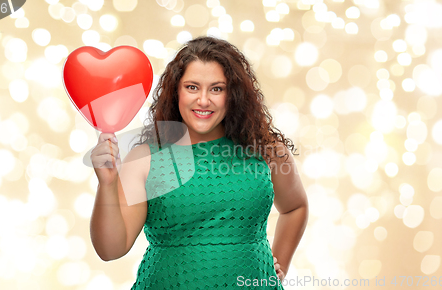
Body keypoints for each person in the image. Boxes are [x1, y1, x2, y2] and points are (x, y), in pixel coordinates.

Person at [89, 36, 309, 289]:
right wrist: (106, 184)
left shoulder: (267, 152)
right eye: (192, 87)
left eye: (217, 88)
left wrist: (276, 267)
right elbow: (111, 249)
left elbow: (295, 208)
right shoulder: (146, 159)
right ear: (176, 92)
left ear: (234, 94)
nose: (203, 100)